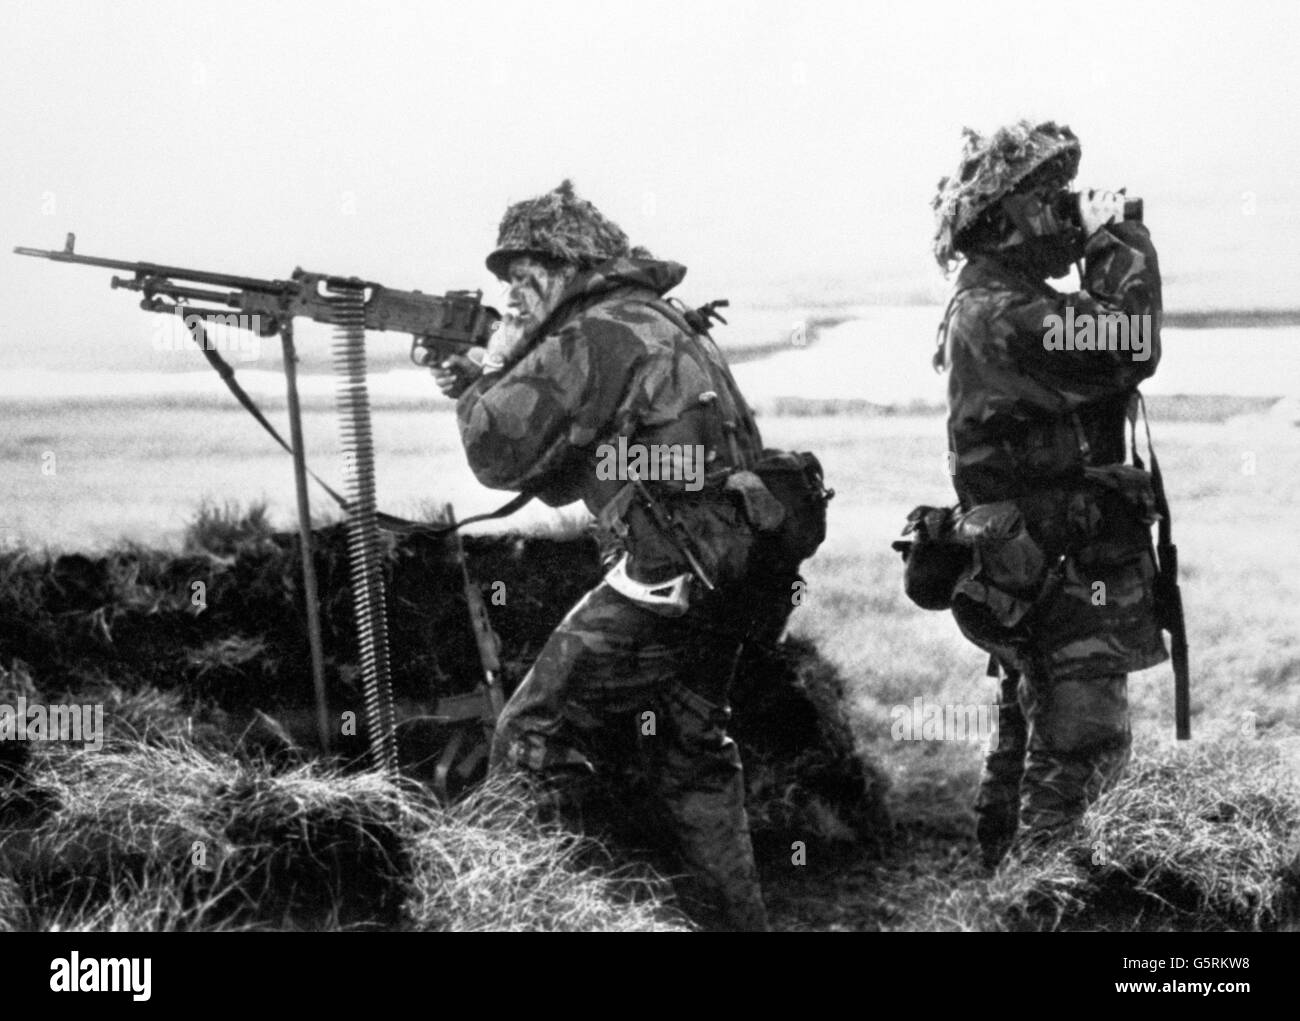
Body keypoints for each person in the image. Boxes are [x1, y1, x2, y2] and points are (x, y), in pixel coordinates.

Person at [433, 180, 814, 930]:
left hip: (672, 576)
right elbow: (566, 466)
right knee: (690, 756)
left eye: (520, 276)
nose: (511, 295)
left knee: (532, 735)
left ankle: (534, 914)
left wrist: (486, 371)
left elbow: (498, 452)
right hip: (733, 575)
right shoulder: (652, 318)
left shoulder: (593, 333)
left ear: (560, 265)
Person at [929, 121, 1167, 868]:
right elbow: (1129, 339)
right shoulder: (1006, 313)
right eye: (1049, 196)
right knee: (1080, 750)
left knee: (1026, 724)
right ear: (1005, 216)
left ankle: (999, 886)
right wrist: (1116, 240)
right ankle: (1043, 901)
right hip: (1057, 563)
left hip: (1036, 559)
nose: (1065, 207)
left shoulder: (997, 300)